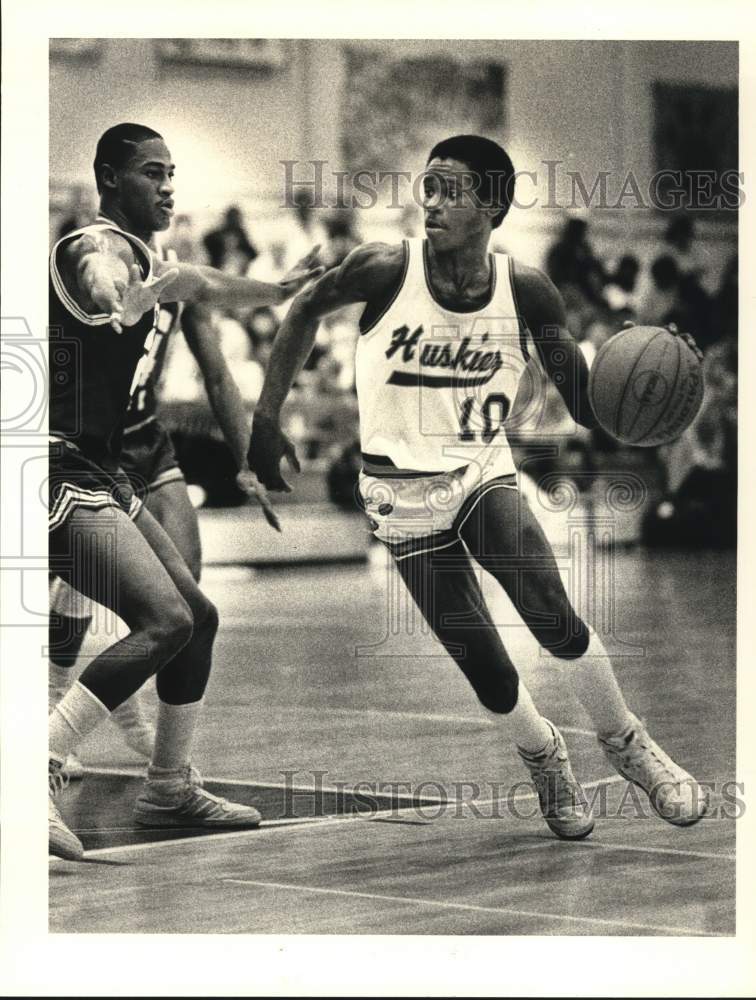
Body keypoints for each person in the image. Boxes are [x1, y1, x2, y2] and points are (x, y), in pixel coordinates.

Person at [248, 134, 708, 840]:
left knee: (550, 609)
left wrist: (657, 370)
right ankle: (543, 752)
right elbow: (306, 307)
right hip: (399, 493)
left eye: (449, 190)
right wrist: (266, 419)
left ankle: (628, 744)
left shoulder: (525, 289)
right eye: (426, 187)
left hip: (481, 472)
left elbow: (587, 407)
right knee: (486, 666)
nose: (429, 201)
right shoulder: (381, 267)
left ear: (491, 204)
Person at [48, 122, 323, 860]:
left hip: (107, 464)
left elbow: (200, 290)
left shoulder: (159, 265)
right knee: (164, 618)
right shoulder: (89, 249)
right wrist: (121, 299)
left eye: (172, 173)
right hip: (52, 464)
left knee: (193, 616)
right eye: (151, 173)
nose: (168, 185)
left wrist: (283, 287)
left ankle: (167, 786)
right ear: (110, 179)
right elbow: (101, 278)